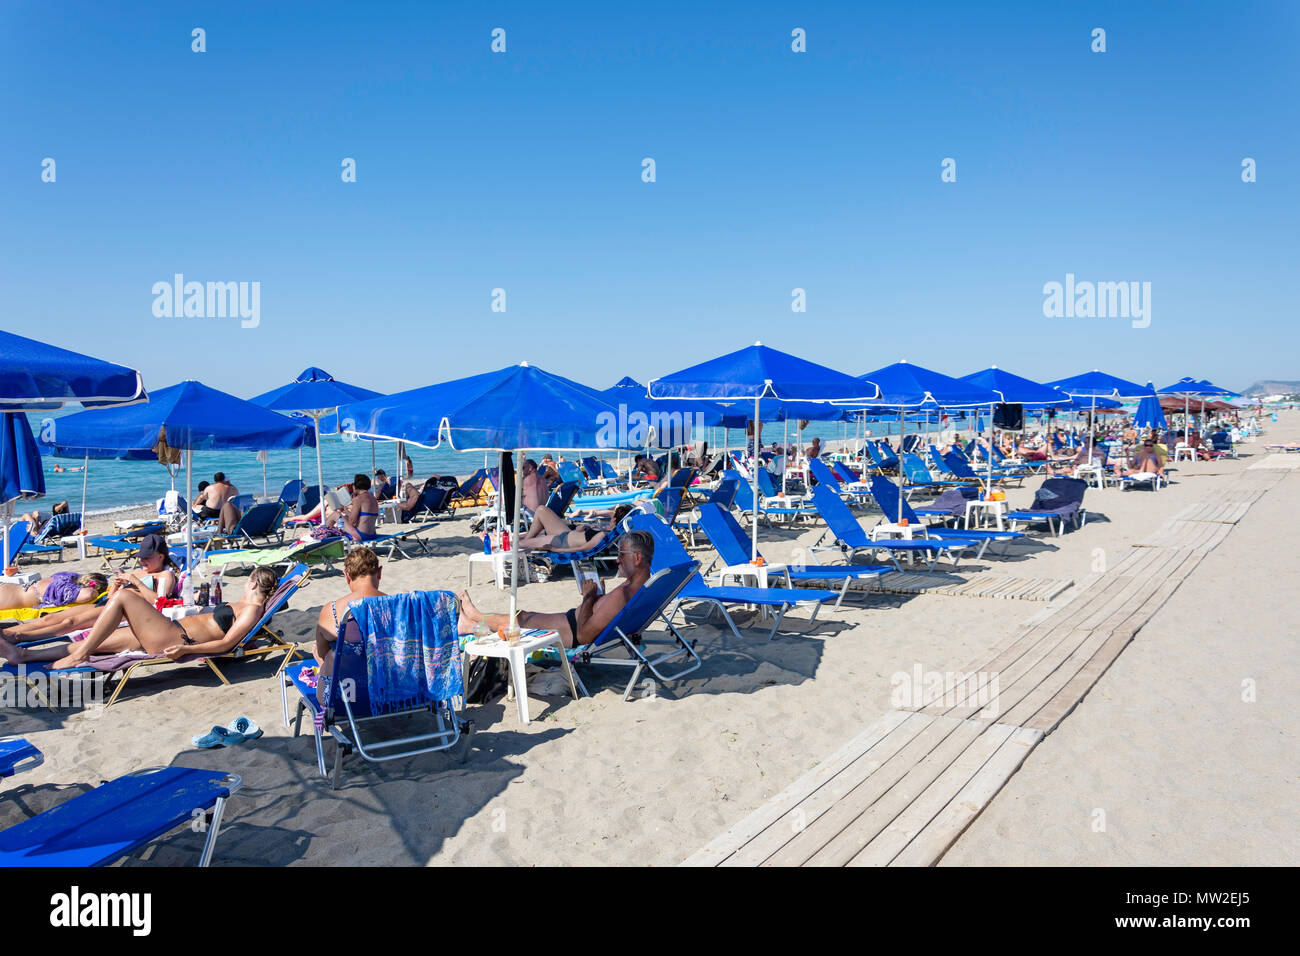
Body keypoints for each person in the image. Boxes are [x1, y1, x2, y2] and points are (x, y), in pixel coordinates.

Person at [0, 567, 279, 670]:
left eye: (247, 581)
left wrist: (187, 650)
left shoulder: (252, 609)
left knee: (124, 598)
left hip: (174, 639)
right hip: (167, 630)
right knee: (100, 641)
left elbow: (226, 644)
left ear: (253, 584)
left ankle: (79, 654)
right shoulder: (246, 605)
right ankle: (22, 656)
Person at [458, 529, 654, 648]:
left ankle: (475, 617)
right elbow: (608, 614)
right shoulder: (645, 586)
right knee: (526, 616)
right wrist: (598, 597)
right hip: (573, 621)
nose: (617, 559)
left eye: (622, 554)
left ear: (637, 558)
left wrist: (588, 597)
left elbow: (584, 635)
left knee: (523, 618)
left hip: (570, 631)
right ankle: (471, 622)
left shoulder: (623, 593)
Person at [0, 538, 175, 640]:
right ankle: (7, 633)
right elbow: (113, 595)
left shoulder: (166, 576)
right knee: (50, 618)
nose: (142, 562)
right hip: (107, 603)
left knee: (69, 623)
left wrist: (136, 582)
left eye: (147, 558)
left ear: (161, 556)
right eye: (141, 558)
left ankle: (20, 638)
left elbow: (160, 603)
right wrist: (116, 584)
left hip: (122, 610)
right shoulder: (139, 571)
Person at [311, 547, 383, 705]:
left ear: (347, 576)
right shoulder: (402, 607)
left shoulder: (333, 610)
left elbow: (323, 653)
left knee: (327, 655)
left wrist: (320, 659)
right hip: (392, 691)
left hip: (348, 698)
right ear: (379, 572)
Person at [516, 504, 633, 553]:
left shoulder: (604, 535)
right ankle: (528, 539)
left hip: (561, 542)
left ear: (614, 520)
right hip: (567, 533)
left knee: (519, 544)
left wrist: (554, 549)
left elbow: (583, 548)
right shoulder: (606, 530)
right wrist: (582, 529)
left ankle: (526, 541)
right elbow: (582, 538)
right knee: (541, 509)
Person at [0, 571, 108, 612]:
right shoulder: (66, 588)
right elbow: (89, 595)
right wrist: (96, 592)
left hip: (7, 589)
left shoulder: (66, 576)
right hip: (6, 598)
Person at [340, 474, 379, 541]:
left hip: (361, 535)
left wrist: (345, 511)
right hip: (372, 534)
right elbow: (362, 518)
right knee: (343, 517)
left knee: (335, 514)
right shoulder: (373, 497)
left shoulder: (358, 499)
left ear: (355, 486)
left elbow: (352, 522)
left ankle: (323, 537)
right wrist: (346, 510)